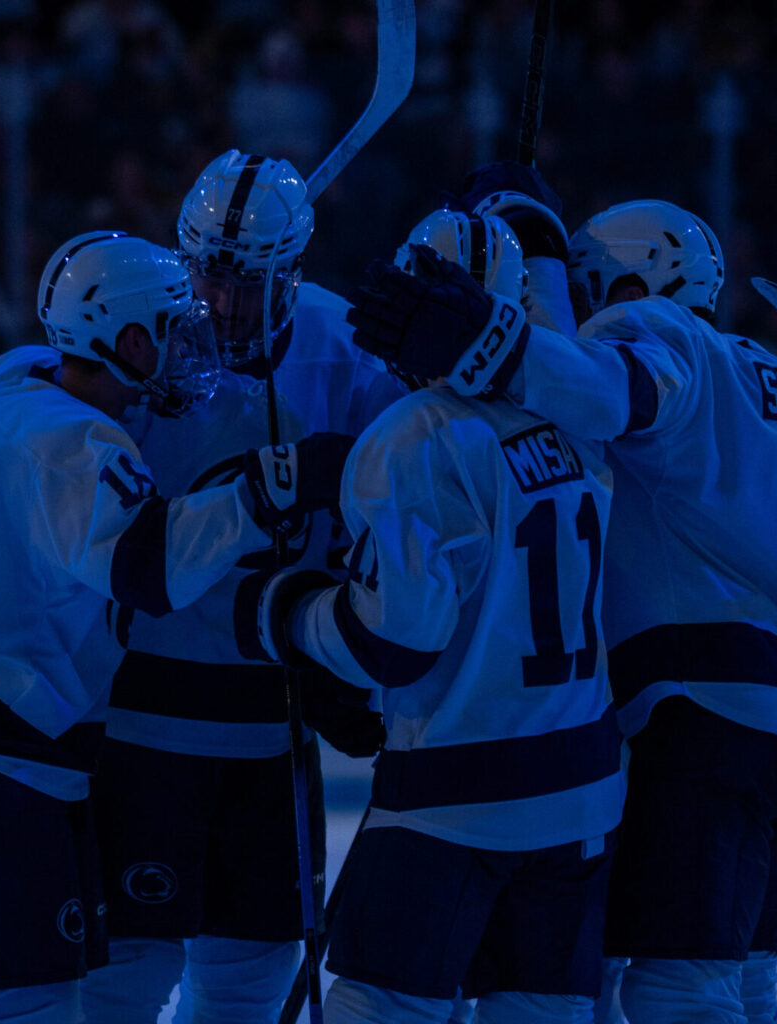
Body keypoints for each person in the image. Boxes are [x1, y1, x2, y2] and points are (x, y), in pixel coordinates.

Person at [347, 170, 777, 1024]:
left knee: (678, 991)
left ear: (634, 283)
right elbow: (761, 535)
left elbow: (600, 395)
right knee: (741, 981)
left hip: (700, 714)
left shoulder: (652, 324)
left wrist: (493, 334)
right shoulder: (762, 371)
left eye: (590, 286)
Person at [0, 230, 352, 1024]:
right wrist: (274, 483)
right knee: (32, 1010)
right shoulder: (79, 443)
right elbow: (153, 569)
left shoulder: (15, 378)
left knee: (34, 1004)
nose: (196, 347)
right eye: (175, 332)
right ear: (128, 341)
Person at [239, 229, 622, 1024]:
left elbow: (396, 641)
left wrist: (289, 614)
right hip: (583, 788)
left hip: (455, 790)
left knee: (378, 1009)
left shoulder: (412, 435)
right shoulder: (581, 417)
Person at [79, 150, 403, 1024]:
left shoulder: (354, 357)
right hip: (142, 724)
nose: (220, 306)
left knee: (251, 986)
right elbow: (39, 443)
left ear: (292, 271)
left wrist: (355, 659)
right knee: (122, 981)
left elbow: (404, 522)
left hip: (275, 727)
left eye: (247, 284)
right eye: (207, 278)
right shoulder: (133, 341)